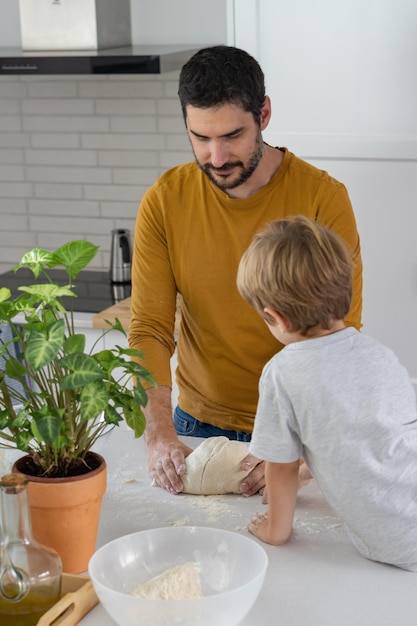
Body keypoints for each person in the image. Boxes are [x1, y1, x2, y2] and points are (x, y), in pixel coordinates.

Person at [129, 45, 363, 497]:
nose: (215, 157)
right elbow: (150, 329)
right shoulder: (164, 201)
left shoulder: (323, 198)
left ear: (265, 114)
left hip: (298, 433)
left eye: (232, 136)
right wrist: (158, 434)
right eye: (200, 138)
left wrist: (306, 452)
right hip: (197, 427)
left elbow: (343, 335)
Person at [237, 215, 417, 571]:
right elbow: (379, 435)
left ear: (278, 318)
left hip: (398, 541)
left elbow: (282, 467)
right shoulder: (381, 355)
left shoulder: (282, 373)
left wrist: (276, 530)